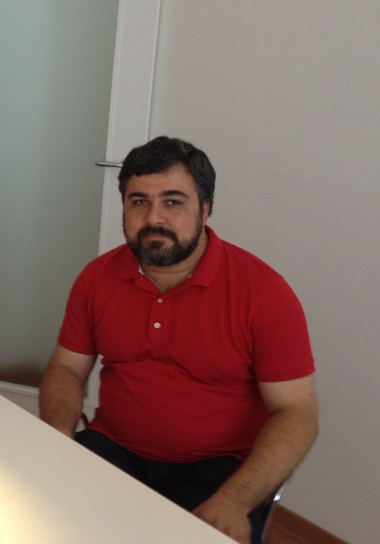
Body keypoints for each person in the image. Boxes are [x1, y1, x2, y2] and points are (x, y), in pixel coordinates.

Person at [38, 136, 318, 544]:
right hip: (114, 449)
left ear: (205, 209)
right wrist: (58, 436)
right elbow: (66, 367)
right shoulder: (96, 277)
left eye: (173, 202)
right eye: (139, 202)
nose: (154, 218)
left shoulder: (264, 293)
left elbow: (297, 412)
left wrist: (235, 501)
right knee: (34, 520)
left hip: (219, 470)